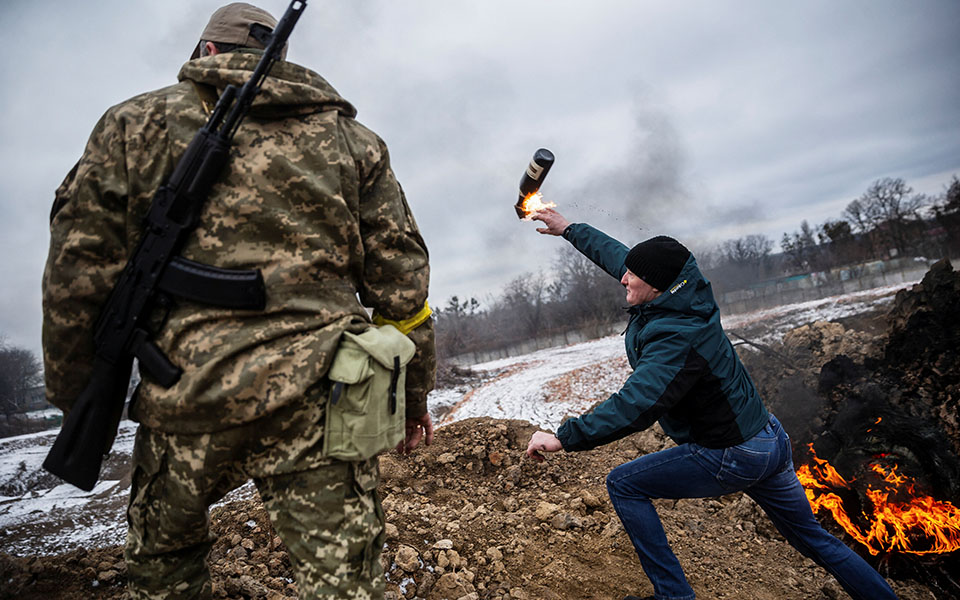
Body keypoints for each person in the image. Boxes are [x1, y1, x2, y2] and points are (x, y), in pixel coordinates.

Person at [42, 3, 436, 598]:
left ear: (207, 52)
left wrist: (76, 397)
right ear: (279, 60)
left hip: (184, 396)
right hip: (324, 399)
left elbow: (75, 282)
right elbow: (403, 289)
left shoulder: (131, 126)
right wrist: (412, 397)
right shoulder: (353, 141)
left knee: (165, 574)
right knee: (347, 586)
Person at [524, 208, 897, 600]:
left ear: (657, 286)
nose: (623, 278)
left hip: (732, 452)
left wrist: (564, 437)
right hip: (768, 439)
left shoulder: (676, 335)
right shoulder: (681, 289)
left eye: (633, 275)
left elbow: (638, 403)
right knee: (815, 540)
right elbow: (623, 259)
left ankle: (675, 596)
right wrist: (570, 229)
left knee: (623, 484)